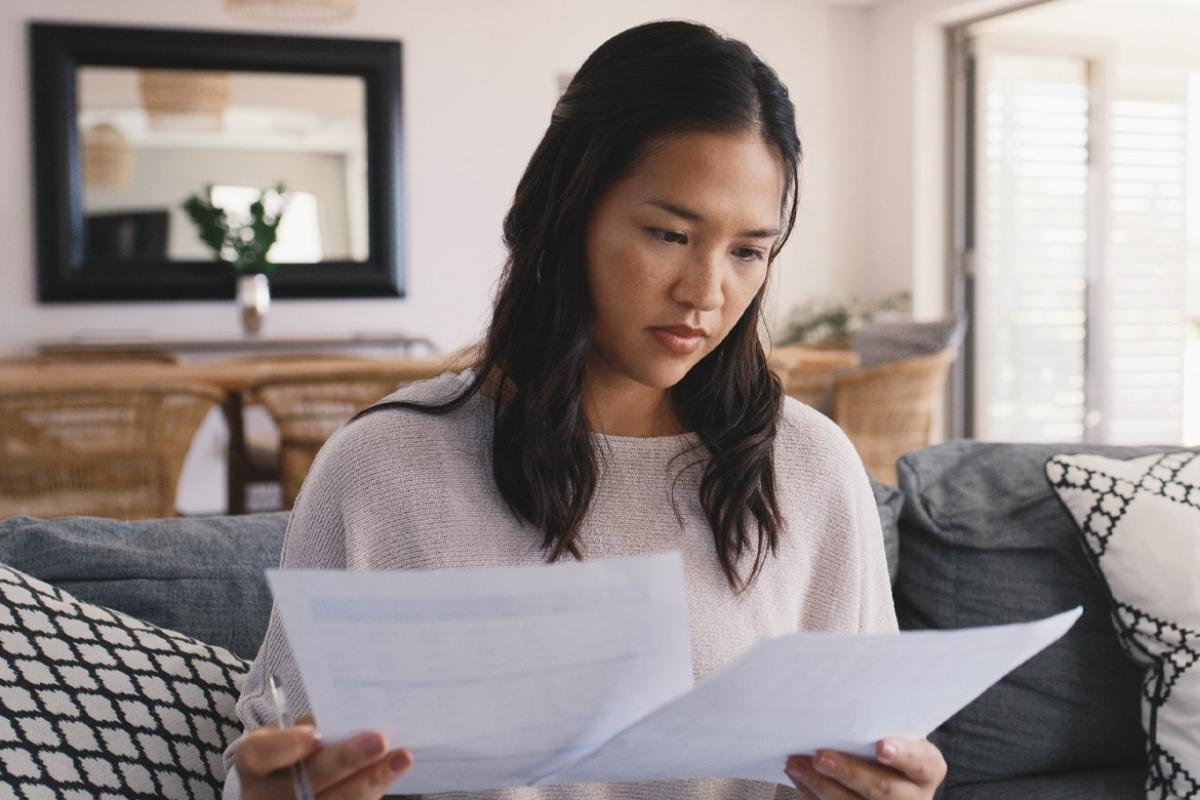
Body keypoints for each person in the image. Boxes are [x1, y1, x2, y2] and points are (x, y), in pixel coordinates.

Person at [223, 19, 947, 800]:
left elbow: (863, 753)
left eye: (748, 251)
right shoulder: (383, 470)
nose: (706, 293)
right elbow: (274, 766)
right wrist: (277, 790)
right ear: (566, 216)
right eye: (669, 233)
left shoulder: (808, 466)